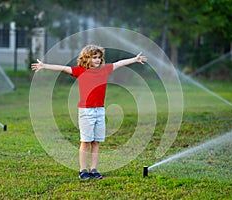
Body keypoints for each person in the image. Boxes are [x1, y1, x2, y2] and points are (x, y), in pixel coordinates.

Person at [31, 44, 147, 180]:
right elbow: (62, 68)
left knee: (96, 142)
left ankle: (94, 169)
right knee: (86, 142)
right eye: (94, 57)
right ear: (87, 58)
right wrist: (44, 66)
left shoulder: (105, 70)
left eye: (99, 57)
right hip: (86, 111)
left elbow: (119, 63)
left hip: (100, 111)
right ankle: (83, 170)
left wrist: (134, 59)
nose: (97, 60)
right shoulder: (80, 71)